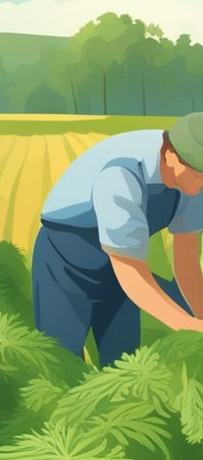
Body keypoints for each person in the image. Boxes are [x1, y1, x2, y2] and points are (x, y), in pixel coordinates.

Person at [33, 113, 203, 366]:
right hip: (64, 261)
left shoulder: (192, 180)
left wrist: (200, 320)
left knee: (124, 364)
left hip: (116, 270)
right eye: (200, 176)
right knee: (59, 363)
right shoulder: (123, 173)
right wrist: (186, 326)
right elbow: (130, 273)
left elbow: (187, 257)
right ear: (170, 157)